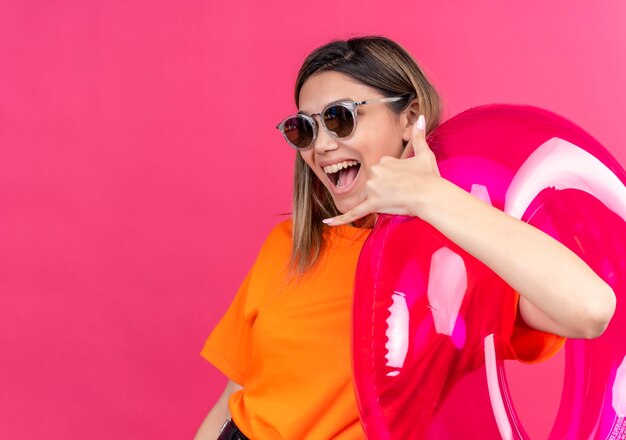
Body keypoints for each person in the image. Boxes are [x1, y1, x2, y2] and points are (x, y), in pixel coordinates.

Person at [193, 36, 616, 440]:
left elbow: (591, 308)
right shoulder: (289, 244)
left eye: (340, 119)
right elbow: (233, 398)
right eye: (303, 129)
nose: (320, 146)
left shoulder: (455, 261)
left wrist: (430, 196)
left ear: (408, 117)